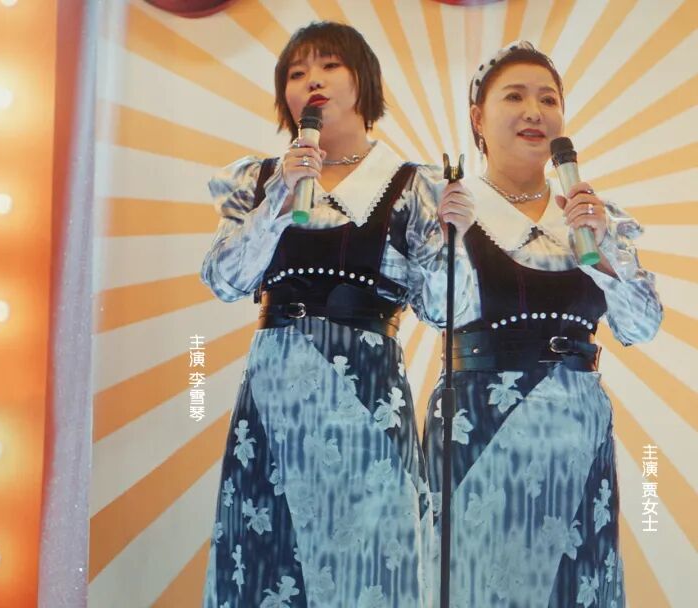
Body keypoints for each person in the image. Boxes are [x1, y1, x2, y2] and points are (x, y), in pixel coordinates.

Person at [200, 21, 473, 607]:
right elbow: (224, 280)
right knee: (271, 554)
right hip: (275, 394)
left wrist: (454, 242)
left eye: (329, 66)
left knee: (371, 563)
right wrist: (278, 200)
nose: (312, 81)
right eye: (297, 73)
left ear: (363, 81)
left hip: (366, 392)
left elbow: (443, 310)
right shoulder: (261, 180)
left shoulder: (413, 186)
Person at [423, 41, 663, 607]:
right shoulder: (450, 204)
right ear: (478, 118)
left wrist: (604, 250)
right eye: (514, 96)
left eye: (548, 99)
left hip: (574, 430)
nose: (534, 111)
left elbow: (641, 326)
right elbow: (432, 308)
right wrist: (449, 238)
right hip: (478, 425)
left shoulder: (591, 215)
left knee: (573, 586)